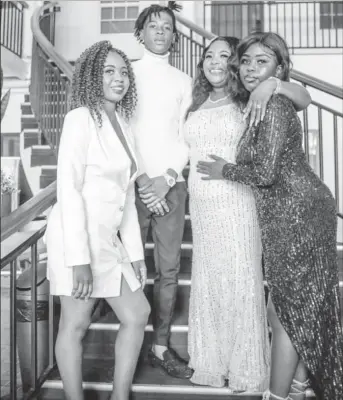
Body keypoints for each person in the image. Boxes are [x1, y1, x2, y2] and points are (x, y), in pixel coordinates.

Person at [197, 32, 343, 399]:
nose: (250, 68)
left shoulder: (274, 105)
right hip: (289, 213)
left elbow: (264, 174)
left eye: (262, 61)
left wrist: (224, 171)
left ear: (280, 66)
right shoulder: (261, 101)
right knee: (290, 310)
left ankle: (277, 395)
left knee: (285, 315)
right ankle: (297, 385)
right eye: (246, 60)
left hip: (299, 215)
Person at [184, 36, 312, 390]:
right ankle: (212, 361)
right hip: (202, 207)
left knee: (241, 280)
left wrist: (273, 82)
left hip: (236, 202)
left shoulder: (251, 97)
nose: (215, 62)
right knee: (209, 280)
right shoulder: (193, 102)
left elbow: (304, 97)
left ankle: (247, 368)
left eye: (225, 56)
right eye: (209, 55)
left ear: (235, 65)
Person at [45, 41, 150, 400]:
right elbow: (68, 191)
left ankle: (119, 395)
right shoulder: (79, 119)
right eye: (108, 70)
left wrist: (135, 254)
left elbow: (128, 198)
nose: (119, 78)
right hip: (76, 240)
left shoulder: (122, 121)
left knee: (138, 313)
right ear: (92, 75)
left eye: (123, 71)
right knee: (74, 325)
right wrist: (79, 261)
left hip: (110, 241)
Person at [130, 2, 193, 379]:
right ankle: (132, 340)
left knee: (167, 270)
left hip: (171, 184)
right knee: (129, 266)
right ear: (141, 33)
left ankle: (159, 346)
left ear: (174, 34)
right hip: (132, 184)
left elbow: (187, 137)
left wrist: (166, 179)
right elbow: (121, 132)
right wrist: (142, 179)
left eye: (167, 26)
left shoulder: (184, 81)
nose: (160, 31)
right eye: (153, 25)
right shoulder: (126, 74)